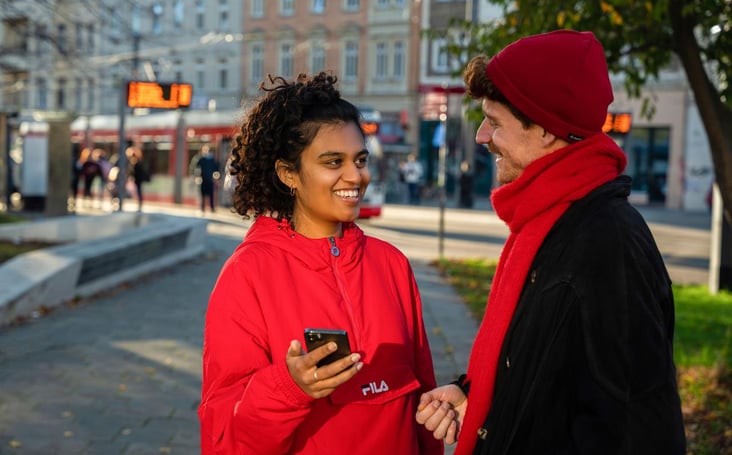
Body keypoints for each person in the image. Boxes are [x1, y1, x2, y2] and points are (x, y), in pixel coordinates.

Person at [415, 30, 686, 454]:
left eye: (495, 121)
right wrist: (478, 394)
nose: (483, 136)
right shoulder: (547, 216)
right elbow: (547, 366)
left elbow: (638, 425)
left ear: (544, 129)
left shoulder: (607, 243)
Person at [198, 72, 443, 455]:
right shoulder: (248, 275)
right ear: (288, 174)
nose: (355, 176)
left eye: (359, 159)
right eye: (333, 162)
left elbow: (423, 396)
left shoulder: (392, 264)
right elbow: (223, 435)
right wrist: (289, 388)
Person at [191, 145, 220, 213]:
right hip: (203, 180)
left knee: (210, 195)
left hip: (210, 180)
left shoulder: (212, 159)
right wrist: (196, 176)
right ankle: (202, 208)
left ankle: (211, 208)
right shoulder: (201, 159)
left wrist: (216, 178)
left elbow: (217, 169)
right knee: (203, 195)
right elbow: (194, 167)